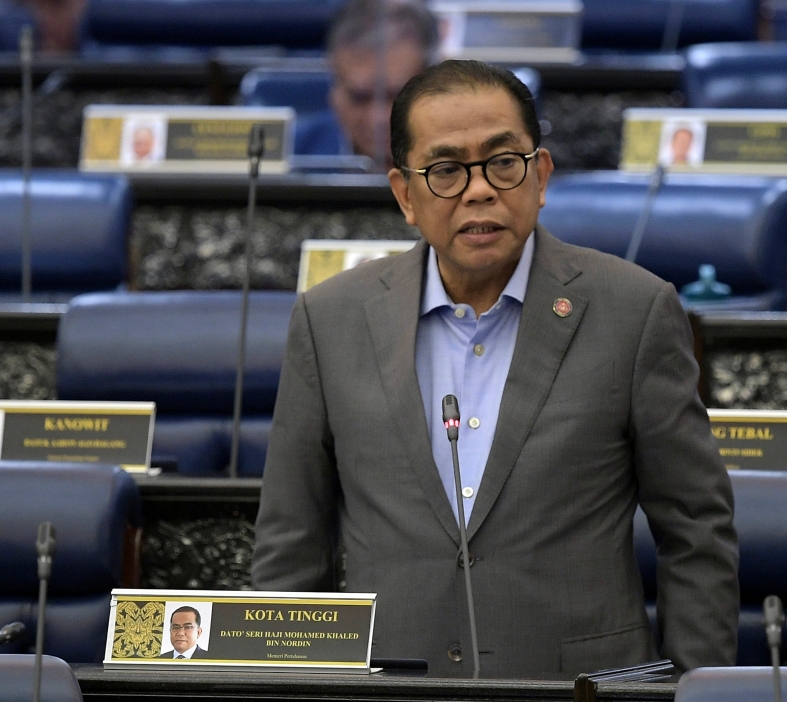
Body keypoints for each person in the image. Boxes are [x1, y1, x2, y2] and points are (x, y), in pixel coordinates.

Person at [253, 59, 739, 679]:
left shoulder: (635, 311)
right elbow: (290, 548)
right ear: (405, 193)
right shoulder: (331, 319)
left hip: (577, 688)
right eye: (447, 170)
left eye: (503, 163)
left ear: (540, 176)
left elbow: (696, 531)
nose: (479, 189)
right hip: (389, 689)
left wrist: (694, 691)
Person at [295, 0, 439, 170]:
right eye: (359, 98)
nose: (378, 119)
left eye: (399, 97)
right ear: (334, 92)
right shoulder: (293, 156)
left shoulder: (471, 156)